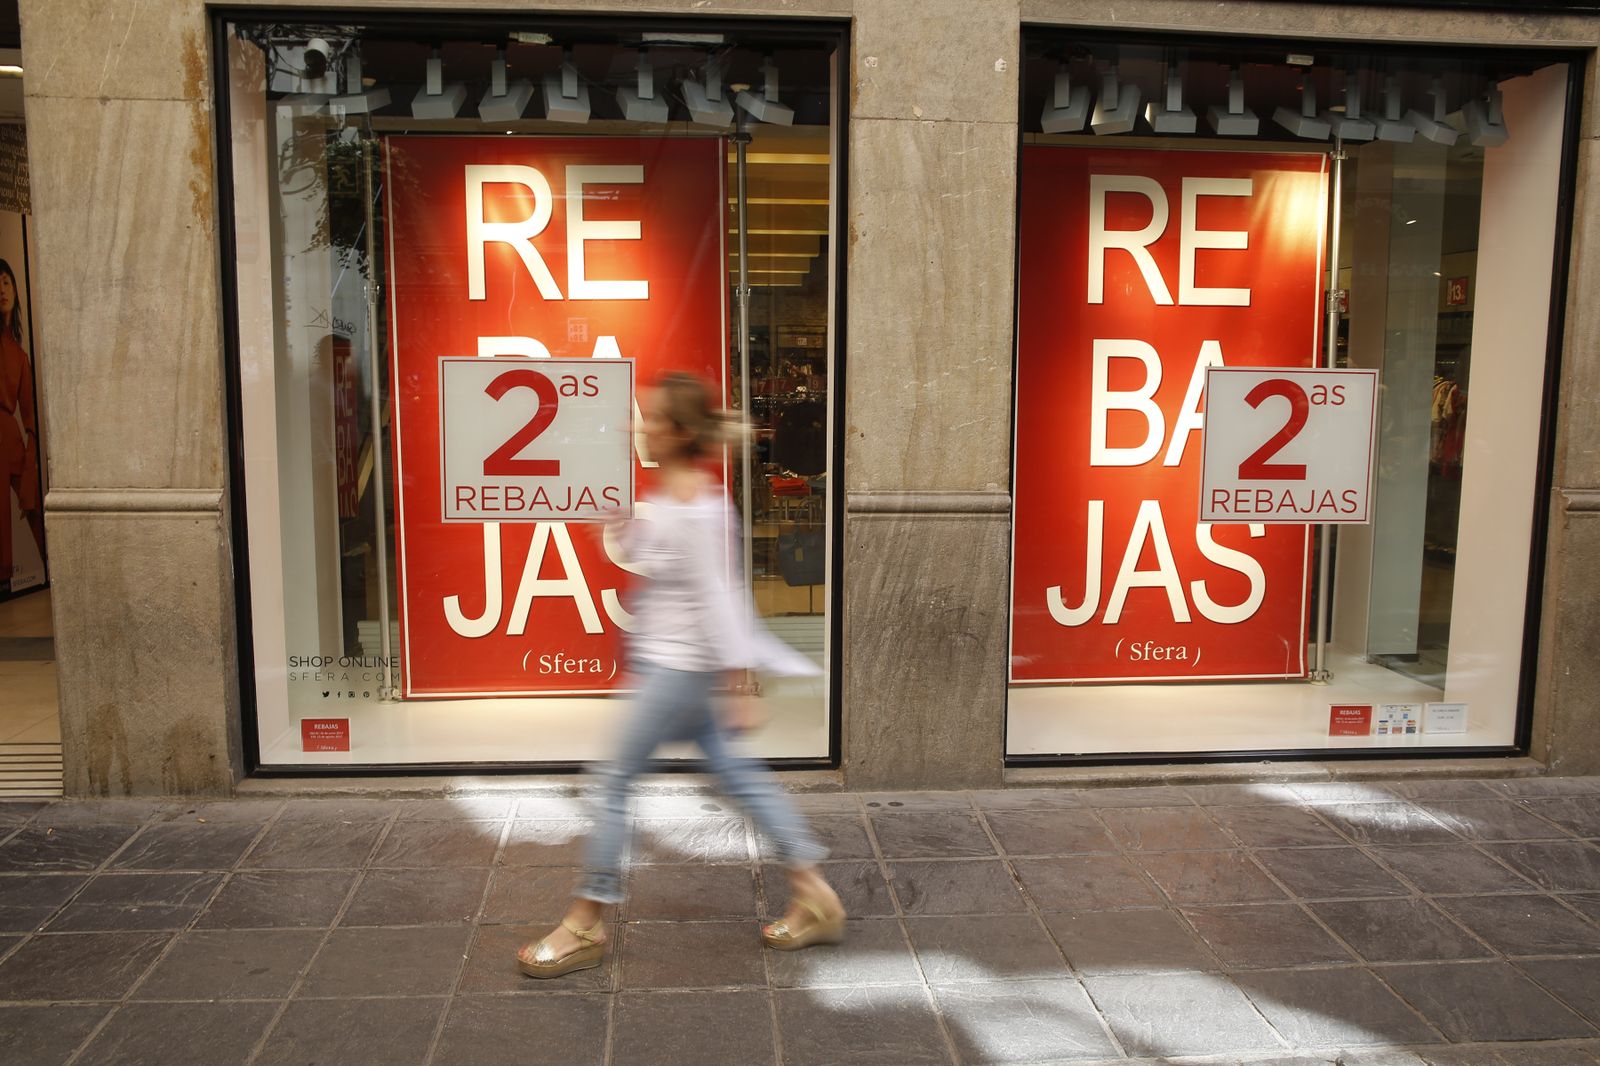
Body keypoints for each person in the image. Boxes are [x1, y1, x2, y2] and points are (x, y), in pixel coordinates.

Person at [517, 372, 844, 979]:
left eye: (649, 418)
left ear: (677, 432)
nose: (637, 426)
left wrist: (738, 680)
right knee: (739, 778)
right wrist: (619, 527)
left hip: (675, 672)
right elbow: (666, 562)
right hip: (673, 668)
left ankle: (584, 922)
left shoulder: (693, 507)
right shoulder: (684, 499)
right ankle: (813, 889)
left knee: (612, 784)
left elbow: (722, 596)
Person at [0, 258, 43, 593]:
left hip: (10, 437)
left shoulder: (19, 354)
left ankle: (52, 567)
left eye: (6, 281)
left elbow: (29, 415)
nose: (1, 289)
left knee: (33, 504)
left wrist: (31, 455)